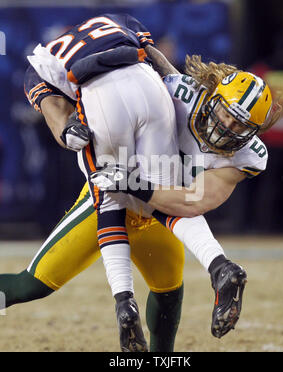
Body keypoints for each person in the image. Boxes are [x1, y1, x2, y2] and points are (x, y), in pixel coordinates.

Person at [26, 13, 181, 352]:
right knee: (169, 287)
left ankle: (126, 305)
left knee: (169, 288)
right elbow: (165, 73)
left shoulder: (110, 34)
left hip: (122, 185)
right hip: (146, 194)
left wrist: (64, 130)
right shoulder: (122, 28)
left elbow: (53, 110)